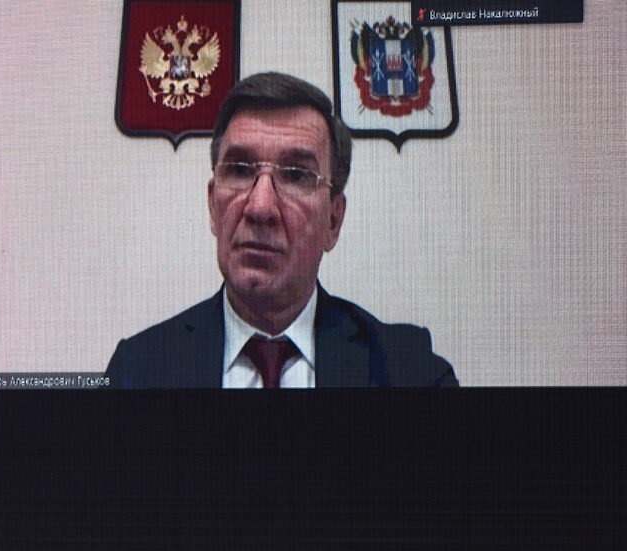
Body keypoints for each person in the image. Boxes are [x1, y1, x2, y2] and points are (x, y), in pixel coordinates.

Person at [104, 72, 456, 388]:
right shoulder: (135, 370)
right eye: (240, 170)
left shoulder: (412, 372)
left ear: (333, 220)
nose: (260, 208)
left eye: (296, 175)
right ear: (213, 206)